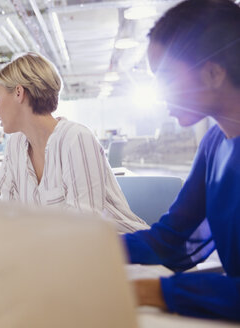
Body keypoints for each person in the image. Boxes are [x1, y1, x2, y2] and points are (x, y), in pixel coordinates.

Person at [123, 0, 240, 321]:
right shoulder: (215, 143)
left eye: (166, 77)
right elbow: (172, 240)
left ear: (214, 73)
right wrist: (86, 246)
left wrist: (152, 291)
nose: (160, 94)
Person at [0, 53, 149, 233]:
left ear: (19, 93)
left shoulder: (76, 140)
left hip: (122, 250)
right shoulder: (15, 146)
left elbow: (84, 226)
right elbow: (8, 211)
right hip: (55, 250)